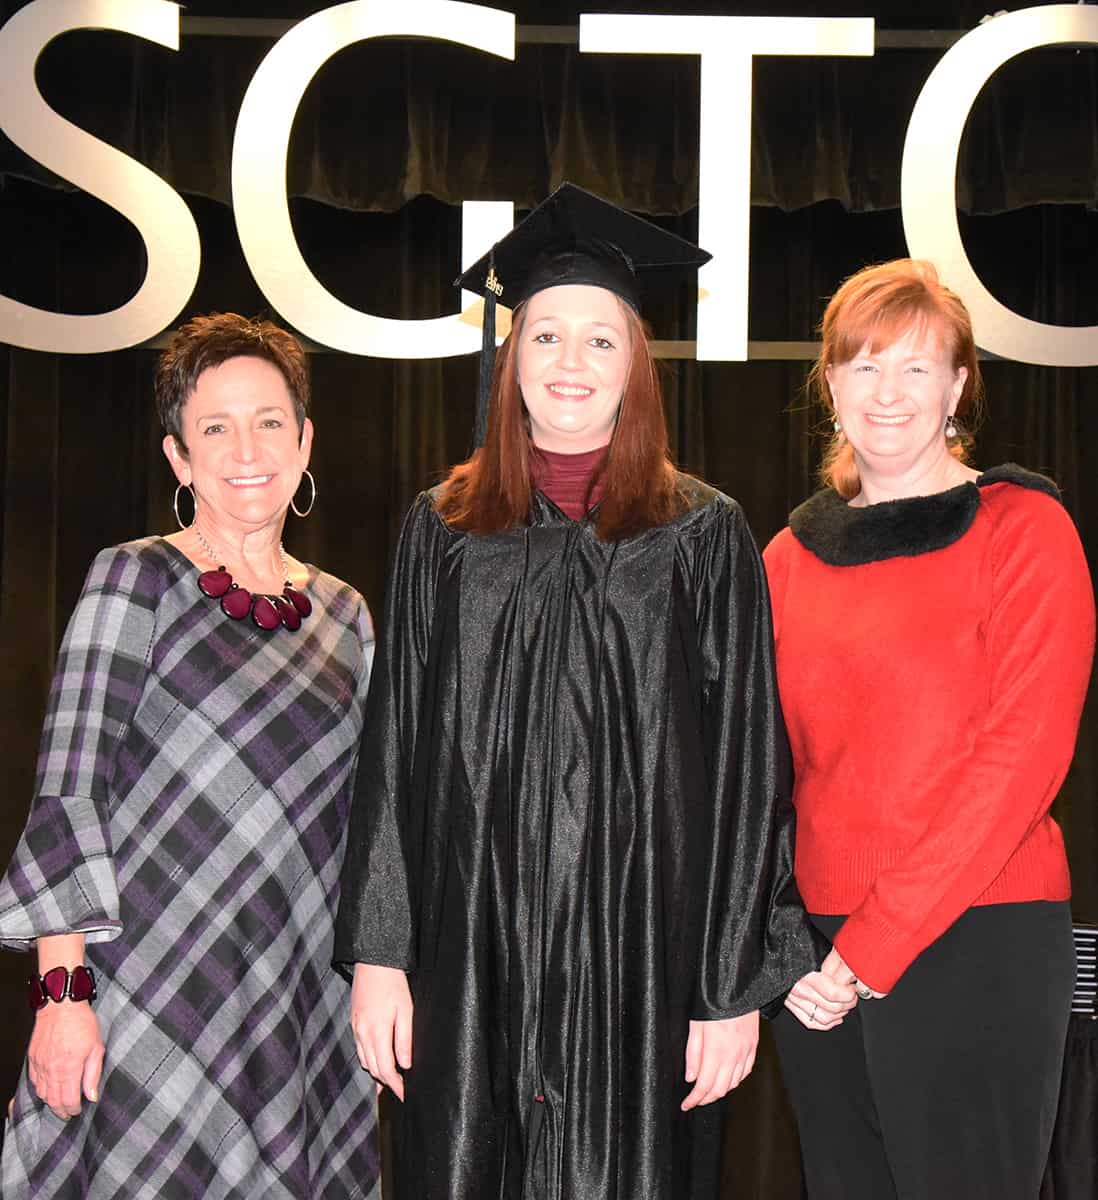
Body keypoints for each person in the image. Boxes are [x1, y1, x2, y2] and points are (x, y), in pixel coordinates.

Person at [334, 183, 839, 1200]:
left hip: (643, 956)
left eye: (600, 340)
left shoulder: (702, 536)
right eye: (547, 336)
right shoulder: (444, 529)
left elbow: (749, 768)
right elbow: (394, 752)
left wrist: (731, 989)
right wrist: (381, 956)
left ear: (636, 367)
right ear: (509, 360)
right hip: (472, 948)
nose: (571, 363)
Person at [0, 314, 379, 1199]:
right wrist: (61, 998)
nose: (246, 448)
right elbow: (69, 795)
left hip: (296, 1006)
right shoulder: (134, 579)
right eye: (215, 427)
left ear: (305, 439)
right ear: (179, 456)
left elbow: (370, 827)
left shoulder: (346, 616)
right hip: (150, 999)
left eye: (269, 421)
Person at [764, 259, 1096, 1199]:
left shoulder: (1023, 528)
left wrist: (870, 947)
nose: (889, 392)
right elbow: (759, 772)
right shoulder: (787, 556)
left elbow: (1023, 758)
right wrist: (786, 944)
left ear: (958, 386)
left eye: (918, 368)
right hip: (818, 967)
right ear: (830, 386)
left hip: (978, 935)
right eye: (865, 366)